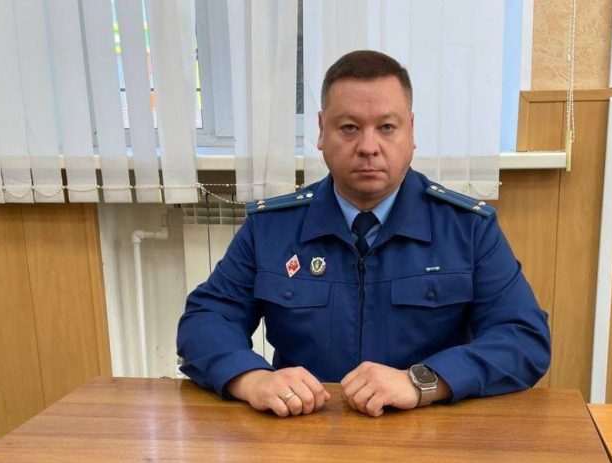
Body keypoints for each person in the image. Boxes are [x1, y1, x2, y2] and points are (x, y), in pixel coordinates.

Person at [177, 50, 550, 418]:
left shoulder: (467, 229)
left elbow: (523, 338)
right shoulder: (272, 228)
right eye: (349, 128)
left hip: (429, 433)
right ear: (322, 131)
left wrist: (422, 381)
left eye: (386, 127)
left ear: (411, 131)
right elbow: (206, 320)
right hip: (304, 431)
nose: (368, 147)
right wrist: (252, 379)